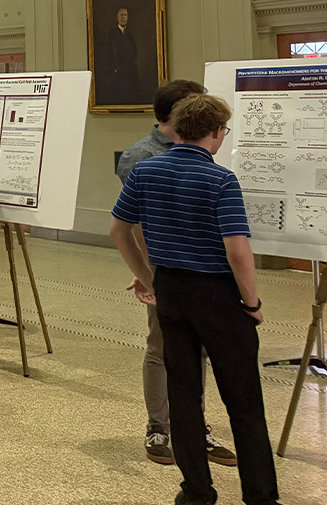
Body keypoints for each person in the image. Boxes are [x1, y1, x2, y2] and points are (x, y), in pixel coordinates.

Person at [110, 94, 280, 505]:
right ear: (217, 132)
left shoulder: (146, 171)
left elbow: (119, 229)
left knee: (184, 394)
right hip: (217, 294)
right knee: (243, 400)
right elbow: (238, 253)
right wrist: (252, 303)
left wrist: (149, 277)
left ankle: (196, 491)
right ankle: (259, 495)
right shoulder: (220, 180)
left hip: (171, 290)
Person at [115, 79, 235, 467]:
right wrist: (148, 275)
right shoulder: (140, 157)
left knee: (196, 349)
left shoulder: (202, 149)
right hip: (163, 269)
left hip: (201, 270)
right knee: (161, 346)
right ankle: (159, 426)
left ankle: (195, 426)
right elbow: (134, 226)